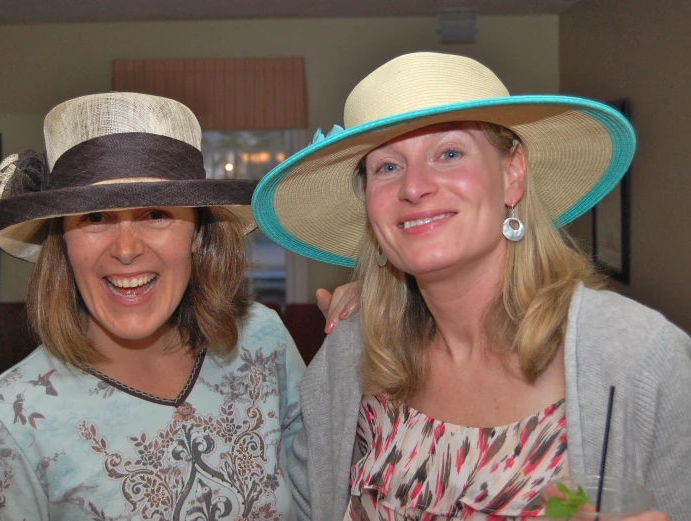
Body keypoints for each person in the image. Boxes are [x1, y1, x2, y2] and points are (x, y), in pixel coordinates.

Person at [252, 52, 691, 520]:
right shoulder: (351, 357)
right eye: (387, 167)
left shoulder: (638, 357)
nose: (415, 187)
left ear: (512, 174)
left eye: (449, 153)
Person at [0, 92, 305, 520]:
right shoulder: (10, 422)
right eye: (95, 218)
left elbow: (322, 495)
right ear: (62, 243)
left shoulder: (264, 344)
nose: (125, 250)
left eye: (155, 213)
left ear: (197, 233)